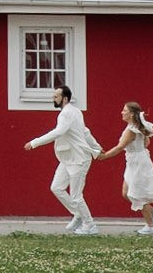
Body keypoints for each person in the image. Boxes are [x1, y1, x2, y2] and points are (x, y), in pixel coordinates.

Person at [24, 84, 104, 233]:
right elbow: (85, 132)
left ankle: (90, 225)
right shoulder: (75, 112)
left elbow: (59, 132)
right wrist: (97, 147)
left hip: (79, 159)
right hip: (67, 158)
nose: (53, 98)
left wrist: (34, 143)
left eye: (56, 96)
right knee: (56, 187)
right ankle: (78, 214)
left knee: (76, 196)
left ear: (65, 99)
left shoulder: (66, 114)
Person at [98, 100, 153, 235]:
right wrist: (137, 151)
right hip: (135, 161)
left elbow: (120, 147)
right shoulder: (137, 127)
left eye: (124, 110)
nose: (122, 112)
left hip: (137, 164)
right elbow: (146, 142)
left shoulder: (131, 130)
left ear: (131, 114)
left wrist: (104, 156)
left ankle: (150, 226)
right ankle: (152, 211)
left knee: (137, 194)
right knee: (126, 193)